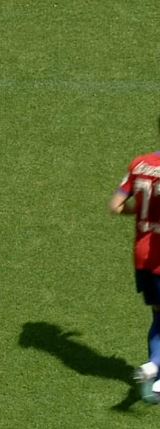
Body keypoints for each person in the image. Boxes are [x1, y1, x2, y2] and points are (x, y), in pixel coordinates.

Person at [110, 148, 160, 402]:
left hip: (142, 258)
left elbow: (115, 205)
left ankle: (156, 379)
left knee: (158, 316)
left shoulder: (139, 164)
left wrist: (141, 211)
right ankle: (153, 367)